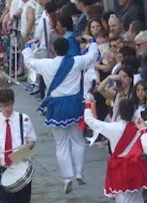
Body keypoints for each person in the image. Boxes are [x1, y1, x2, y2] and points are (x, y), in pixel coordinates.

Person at [26, 39, 101, 193]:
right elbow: (92, 56)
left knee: (61, 144)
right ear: (68, 48)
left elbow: (29, 62)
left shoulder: (46, 64)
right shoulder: (76, 61)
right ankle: (79, 172)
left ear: (54, 49)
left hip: (56, 106)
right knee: (78, 140)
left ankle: (67, 177)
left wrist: (27, 47)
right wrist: (92, 42)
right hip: (74, 104)